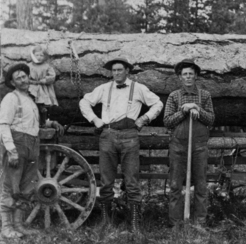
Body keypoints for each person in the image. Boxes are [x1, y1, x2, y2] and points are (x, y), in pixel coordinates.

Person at [79, 57, 163, 232]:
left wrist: (144, 118)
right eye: (114, 70)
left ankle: (134, 224)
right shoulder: (104, 88)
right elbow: (84, 102)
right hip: (107, 135)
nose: (116, 73)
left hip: (130, 136)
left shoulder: (138, 88)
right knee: (106, 180)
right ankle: (106, 222)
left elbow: (158, 103)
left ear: (127, 71)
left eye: (119, 70)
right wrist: (95, 119)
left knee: (132, 180)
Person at [0, 63, 64, 239]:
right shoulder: (10, 99)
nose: (23, 80)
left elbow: (35, 121)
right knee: (10, 186)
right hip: (17, 143)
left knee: (26, 187)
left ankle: (19, 225)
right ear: (12, 83)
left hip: (32, 144)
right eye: (18, 78)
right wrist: (11, 150)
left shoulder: (30, 98)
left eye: (24, 76)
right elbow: (3, 125)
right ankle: (6, 228)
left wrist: (50, 123)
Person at [164, 59, 215, 229]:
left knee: (200, 184)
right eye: (184, 74)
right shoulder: (174, 96)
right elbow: (167, 122)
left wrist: (197, 109)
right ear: (180, 77)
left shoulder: (205, 95)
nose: (187, 77)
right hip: (178, 145)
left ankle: (199, 222)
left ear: (196, 76)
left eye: (190, 74)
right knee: (175, 185)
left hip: (199, 145)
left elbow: (211, 120)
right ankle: (176, 223)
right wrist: (183, 110)